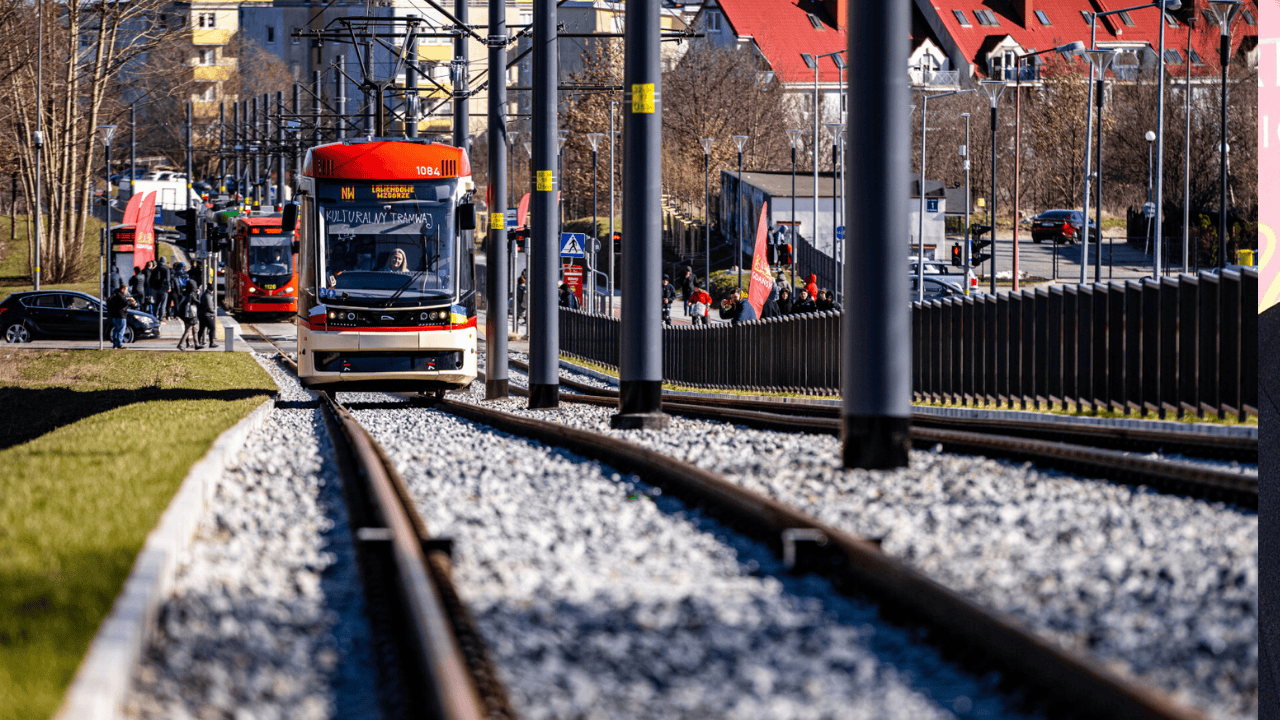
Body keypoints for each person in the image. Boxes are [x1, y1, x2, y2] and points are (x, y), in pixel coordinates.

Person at [105, 284, 135, 349]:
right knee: (121, 330)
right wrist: (130, 300)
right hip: (121, 315)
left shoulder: (114, 295)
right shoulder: (120, 295)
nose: (126, 292)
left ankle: (115, 345)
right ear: (123, 289)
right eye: (126, 290)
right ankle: (120, 344)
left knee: (116, 330)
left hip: (114, 315)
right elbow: (125, 303)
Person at [176, 280, 200, 350]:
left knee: (195, 329)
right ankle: (180, 344)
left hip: (186, 314)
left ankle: (197, 344)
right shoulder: (192, 294)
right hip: (190, 315)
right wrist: (198, 294)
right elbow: (196, 302)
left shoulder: (186, 292)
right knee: (188, 330)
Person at [196, 283, 218, 348]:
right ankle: (211, 343)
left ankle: (198, 342)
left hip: (202, 314)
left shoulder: (204, 295)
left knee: (201, 329)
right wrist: (213, 312)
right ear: (211, 290)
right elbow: (210, 307)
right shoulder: (208, 296)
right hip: (206, 315)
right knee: (212, 327)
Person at [151, 257, 171, 321]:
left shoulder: (155, 269)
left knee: (156, 303)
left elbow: (152, 279)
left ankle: (154, 316)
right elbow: (168, 279)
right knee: (163, 304)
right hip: (164, 288)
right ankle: (161, 318)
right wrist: (169, 287)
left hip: (156, 288)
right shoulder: (166, 269)